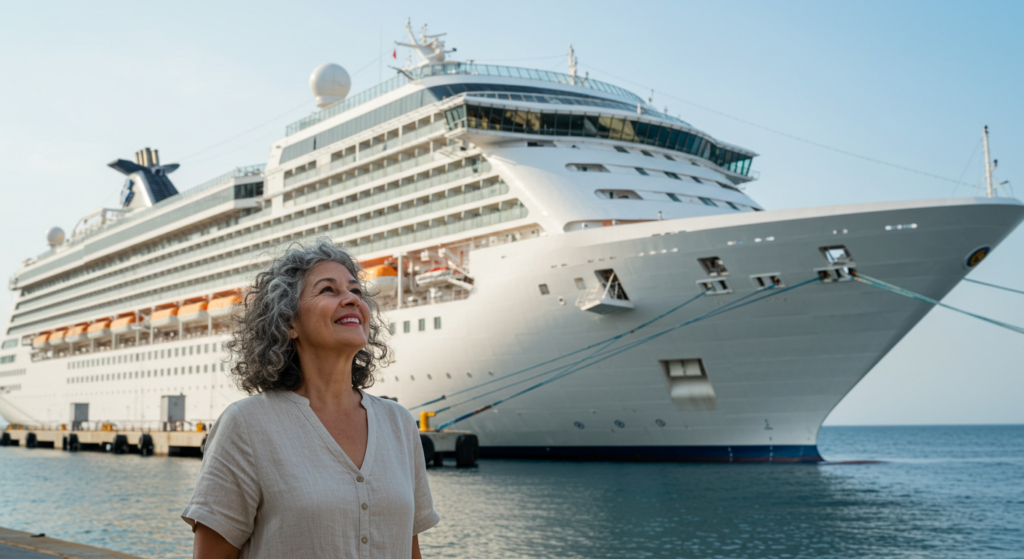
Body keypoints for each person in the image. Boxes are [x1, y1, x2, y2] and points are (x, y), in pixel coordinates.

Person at [182, 239, 439, 558]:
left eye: (356, 291)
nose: (351, 300)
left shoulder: (398, 422)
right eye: (329, 290)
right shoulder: (247, 425)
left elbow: (409, 549)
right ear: (289, 322)